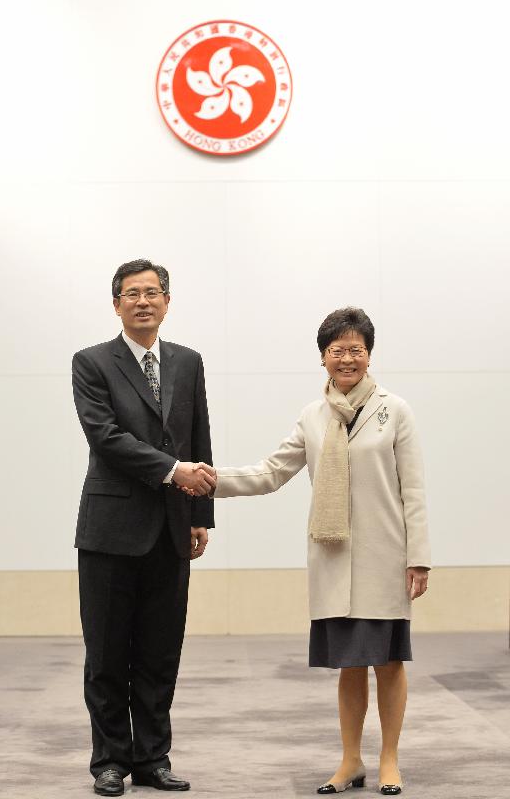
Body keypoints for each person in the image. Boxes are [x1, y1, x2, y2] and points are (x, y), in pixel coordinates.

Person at [214, 307, 430, 796]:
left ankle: (389, 760)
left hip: (385, 558)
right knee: (349, 664)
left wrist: (419, 557)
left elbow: (413, 490)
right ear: (323, 358)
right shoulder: (313, 417)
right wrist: (212, 482)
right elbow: (271, 472)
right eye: (338, 350)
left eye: (356, 349)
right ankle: (350, 760)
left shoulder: (394, 410)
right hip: (332, 559)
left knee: (388, 662)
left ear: (369, 355)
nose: (347, 358)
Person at [72, 259, 216, 796]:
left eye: (152, 292)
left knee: (159, 652)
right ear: (116, 305)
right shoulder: (92, 363)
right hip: (110, 530)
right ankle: (109, 760)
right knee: (107, 653)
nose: (143, 301)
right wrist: (171, 471)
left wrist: (201, 514)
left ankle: (153, 759)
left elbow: (199, 433)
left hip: (173, 529)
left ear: (167, 301)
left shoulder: (188, 362)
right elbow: (105, 437)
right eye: (131, 294)